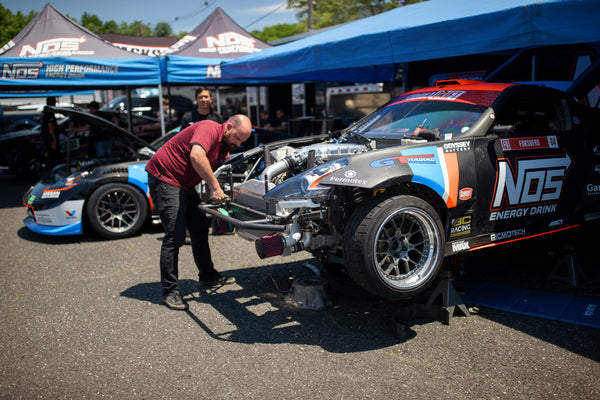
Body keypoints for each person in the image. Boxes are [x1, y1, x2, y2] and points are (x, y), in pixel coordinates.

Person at [146, 114, 253, 310]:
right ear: (228, 126)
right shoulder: (209, 128)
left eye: (242, 141)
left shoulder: (223, 147)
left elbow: (218, 172)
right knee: (174, 235)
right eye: (237, 138)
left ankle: (208, 276)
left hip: (183, 184)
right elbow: (196, 156)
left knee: (199, 227)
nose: (238, 143)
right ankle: (169, 292)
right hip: (165, 178)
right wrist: (214, 187)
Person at [40, 97, 60, 167]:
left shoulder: (44, 113)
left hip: (46, 138)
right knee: (52, 157)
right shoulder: (49, 114)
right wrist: (54, 141)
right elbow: (51, 129)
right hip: (50, 139)